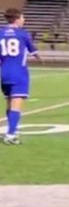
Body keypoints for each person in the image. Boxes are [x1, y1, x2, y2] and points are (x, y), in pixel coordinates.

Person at [1, 8, 41, 145]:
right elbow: (33, 50)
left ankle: (13, 129)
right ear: (17, 19)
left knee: (9, 102)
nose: (24, 20)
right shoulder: (23, 34)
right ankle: (11, 134)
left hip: (4, 72)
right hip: (19, 72)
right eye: (23, 18)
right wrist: (39, 58)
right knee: (16, 104)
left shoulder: (0, 33)